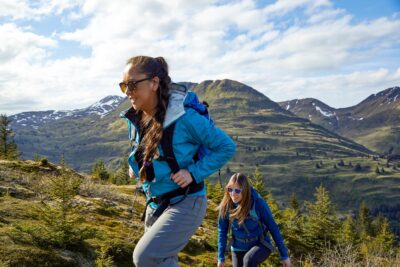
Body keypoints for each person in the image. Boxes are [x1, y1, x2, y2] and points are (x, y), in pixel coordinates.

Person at [119, 55, 236, 267]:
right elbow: (148, 151)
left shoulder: (185, 118)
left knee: (144, 258)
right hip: (156, 203)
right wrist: (134, 165)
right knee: (161, 261)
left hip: (186, 201)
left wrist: (193, 173)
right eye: (124, 85)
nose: (127, 92)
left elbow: (226, 147)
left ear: (154, 83)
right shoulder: (137, 117)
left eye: (132, 84)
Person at [217, 173, 291, 267]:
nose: (233, 194)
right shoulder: (226, 205)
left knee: (248, 260)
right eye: (230, 189)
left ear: (245, 190)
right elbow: (222, 231)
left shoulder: (258, 203)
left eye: (237, 190)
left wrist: (284, 255)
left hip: (260, 243)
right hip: (238, 246)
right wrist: (220, 257)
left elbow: (273, 227)